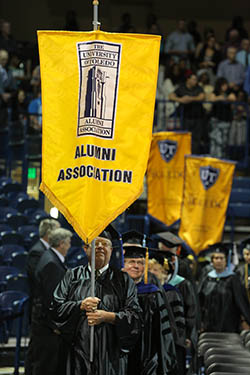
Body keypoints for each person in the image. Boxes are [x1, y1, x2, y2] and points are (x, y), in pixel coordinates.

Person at [51, 226, 142, 375]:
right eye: (95, 243)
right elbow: (55, 308)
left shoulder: (123, 280)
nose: (100, 247)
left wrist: (109, 317)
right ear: (85, 248)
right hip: (77, 354)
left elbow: (136, 317)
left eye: (105, 244)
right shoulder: (72, 276)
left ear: (111, 250)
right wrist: (79, 305)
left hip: (110, 356)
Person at [122, 242, 177, 375]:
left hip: (146, 354)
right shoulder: (114, 291)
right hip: (118, 354)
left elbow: (163, 331)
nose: (136, 266)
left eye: (140, 262)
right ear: (123, 264)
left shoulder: (153, 293)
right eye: (131, 262)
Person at [30, 228, 73, 375]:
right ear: (61, 243)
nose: (69, 246)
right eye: (68, 243)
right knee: (46, 365)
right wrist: (56, 324)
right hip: (47, 326)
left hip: (44, 323)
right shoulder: (52, 264)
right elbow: (52, 298)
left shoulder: (49, 257)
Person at [25, 218, 60, 375]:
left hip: (42, 308)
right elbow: (40, 279)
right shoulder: (37, 252)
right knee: (37, 351)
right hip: (39, 307)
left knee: (36, 351)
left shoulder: (45, 252)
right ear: (49, 233)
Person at [198, 243, 250, 332]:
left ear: (226, 261)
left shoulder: (233, 279)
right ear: (212, 261)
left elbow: (241, 303)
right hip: (208, 326)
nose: (218, 261)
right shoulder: (207, 278)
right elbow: (199, 302)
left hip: (228, 327)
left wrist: (246, 320)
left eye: (221, 258)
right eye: (216, 258)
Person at [169, 72, 205, 154]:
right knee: (185, 137)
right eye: (194, 79)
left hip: (197, 117)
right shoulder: (182, 88)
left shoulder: (198, 88)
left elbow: (202, 96)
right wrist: (180, 100)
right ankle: (184, 155)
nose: (196, 81)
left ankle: (194, 157)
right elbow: (171, 95)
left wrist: (191, 99)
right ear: (188, 79)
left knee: (196, 139)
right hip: (185, 117)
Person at [209, 77, 236, 158]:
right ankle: (214, 157)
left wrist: (224, 98)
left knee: (224, 141)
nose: (225, 86)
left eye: (226, 85)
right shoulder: (215, 92)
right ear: (219, 85)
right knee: (215, 139)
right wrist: (219, 98)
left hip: (225, 120)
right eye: (223, 85)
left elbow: (233, 98)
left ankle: (222, 157)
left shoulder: (229, 92)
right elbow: (211, 99)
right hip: (216, 120)